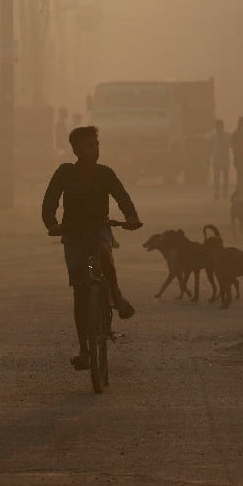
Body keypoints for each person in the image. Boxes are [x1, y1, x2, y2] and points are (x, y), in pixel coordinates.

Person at [42, 126, 143, 371]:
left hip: (99, 228)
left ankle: (116, 295)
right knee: (80, 290)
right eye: (89, 145)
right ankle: (84, 351)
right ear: (76, 149)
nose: (95, 149)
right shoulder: (65, 172)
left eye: (96, 144)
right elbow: (49, 202)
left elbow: (123, 198)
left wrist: (131, 217)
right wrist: (52, 225)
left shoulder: (105, 173)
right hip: (73, 233)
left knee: (104, 253)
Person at [208, 119, 231, 199]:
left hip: (225, 159)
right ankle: (216, 192)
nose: (218, 128)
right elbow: (209, 147)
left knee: (226, 176)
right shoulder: (212, 136)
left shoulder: (227, 135)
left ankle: (225, 192)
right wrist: (209, 157)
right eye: (217, 126)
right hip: (216, 159)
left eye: (219, 126)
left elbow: (231, 145)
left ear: (222, 126)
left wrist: (224, 140)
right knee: (216, 176)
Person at [230, 116, 243, 196]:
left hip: (241, 161)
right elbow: (239, 150)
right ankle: (241, 197)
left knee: (242, 180)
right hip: (241, 161)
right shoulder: (237, 135)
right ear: (242, 124)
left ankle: (240, 197)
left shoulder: (238, 135)